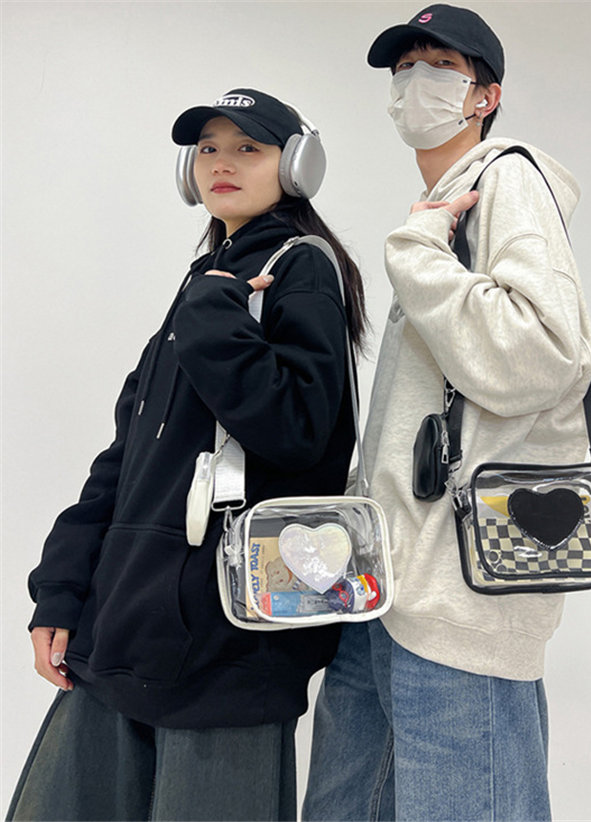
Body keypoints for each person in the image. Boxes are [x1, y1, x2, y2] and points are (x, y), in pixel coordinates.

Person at [8, 88, 366, 822]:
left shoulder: (301, 268)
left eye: (248, 148)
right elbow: (127, 457)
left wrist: (213, 318)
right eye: (207, 149)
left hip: (224, 652)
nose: (221, 164)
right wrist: (63, 589)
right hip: (124, 628)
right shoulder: (208, 281)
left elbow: (299, 433)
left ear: (296, 166)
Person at [302, 5, 591, 821]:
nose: (414, 83)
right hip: (389, 588)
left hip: (460, 599)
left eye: (439, 66)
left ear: (484, 96)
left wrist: (415, 251)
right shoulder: (447, 201)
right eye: (403, 69)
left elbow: (543, 353)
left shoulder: (508, 180)